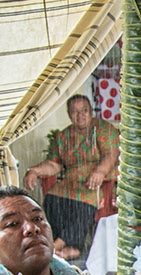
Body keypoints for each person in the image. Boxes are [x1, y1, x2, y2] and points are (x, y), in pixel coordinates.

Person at [21, 95, 117, 261]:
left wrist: (100, 171)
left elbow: (111, 155)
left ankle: (52, 247)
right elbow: (54, 164)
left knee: (83, 206)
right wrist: (34, 171)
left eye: (84, 111)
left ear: (91, 111)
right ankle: (70, 248)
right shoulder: (63, 136)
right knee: (52, 199)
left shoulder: (103, 129)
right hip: (71, 183)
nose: (80, 115)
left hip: (98, 183)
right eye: (75, 112)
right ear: (69, 114)